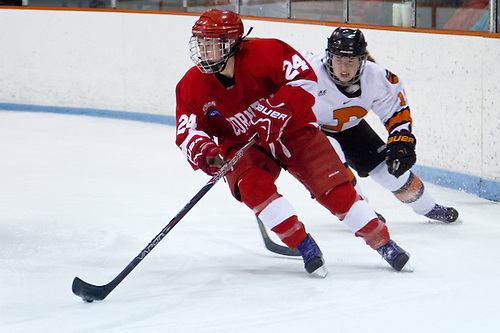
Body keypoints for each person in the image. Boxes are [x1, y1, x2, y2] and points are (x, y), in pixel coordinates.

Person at [175, 9, 410, 275]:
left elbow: (305, 79)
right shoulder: (190, 85)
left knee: (336, 192)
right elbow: (187, 131)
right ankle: (303, 245)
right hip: (243, 145)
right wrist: (205, 152)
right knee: (252, 187)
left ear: (231, 42)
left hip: (294, 130)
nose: (203, 51)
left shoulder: (268, 52)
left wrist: (277, 110)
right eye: (200, 43)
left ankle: (383, 242)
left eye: (211, 44)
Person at [301, 27, 459, 224]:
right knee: (336, 167)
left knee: (389, 171)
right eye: (339, 60)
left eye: (351, 61)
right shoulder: (307, 71)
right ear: (329, 57)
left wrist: (401, 140)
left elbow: (395, 113)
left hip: (352, 129)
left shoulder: (377, 78)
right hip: (311, 132)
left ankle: (428, 206)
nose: (344, 68)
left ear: (362, 59)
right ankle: (359, 212)